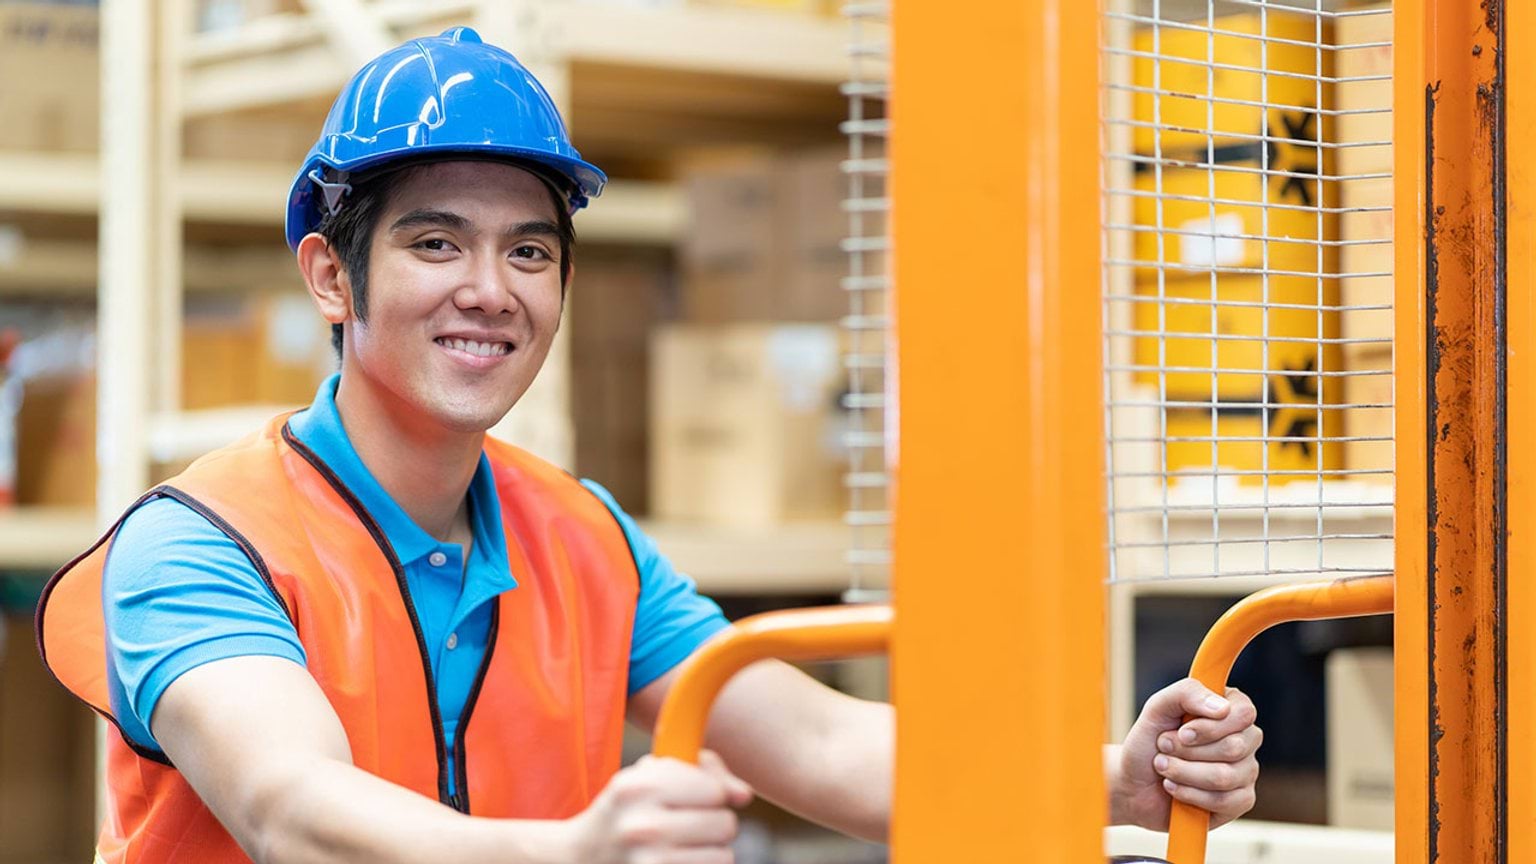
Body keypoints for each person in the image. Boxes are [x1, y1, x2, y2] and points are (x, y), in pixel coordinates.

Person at [37, 27, 1262, 863]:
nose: (489, 289)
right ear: (330, 276)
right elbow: (290, 809)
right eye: (434, 243)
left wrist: (1114, 781)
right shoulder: (199, 545)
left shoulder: (583, 539)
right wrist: (573, 852)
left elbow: (821, 740)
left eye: (529, 251)